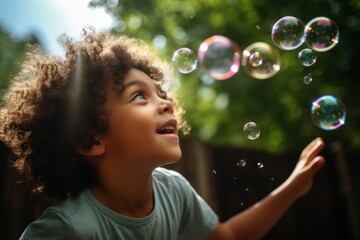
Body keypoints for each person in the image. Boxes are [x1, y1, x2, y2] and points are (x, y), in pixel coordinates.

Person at [0, 29, 325, 240]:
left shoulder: (173, 190)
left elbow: (227, 238)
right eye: (139, 96)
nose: (166, 103)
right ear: (91, 140)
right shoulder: (65, 230)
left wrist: (293, 187)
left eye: (161, 93)